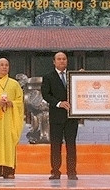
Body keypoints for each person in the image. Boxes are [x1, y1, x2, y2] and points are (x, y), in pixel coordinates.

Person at [41, 51, 79, 180]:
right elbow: (46, 95)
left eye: (64, 59)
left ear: (67, 61)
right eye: (59, 59)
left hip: (71, 117)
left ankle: (72, 172)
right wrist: (59, 103)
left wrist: (84, 78)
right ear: (54, 62)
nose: (62, 61)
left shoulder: (74, 76)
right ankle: (55, 171)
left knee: (71, 145)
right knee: (56, 145)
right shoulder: (48, 76)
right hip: (56, 116)